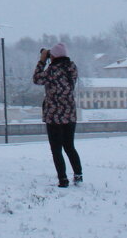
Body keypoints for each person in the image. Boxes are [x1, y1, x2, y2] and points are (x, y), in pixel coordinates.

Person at [33, 42, 82, 188]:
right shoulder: (72, 68)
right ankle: (78, 175)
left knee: (56, 149)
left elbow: (36, 79)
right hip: (70, 114)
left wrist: (42, 60)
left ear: (53, 56)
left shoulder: (52, 70)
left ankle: (63, 179)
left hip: (54, 115)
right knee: (69, 146)